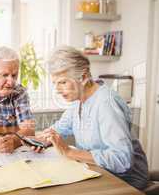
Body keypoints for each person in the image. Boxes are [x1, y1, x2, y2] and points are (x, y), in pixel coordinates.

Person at [32, 46, 148, 190]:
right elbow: (57, 130)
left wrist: (69, 152)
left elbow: (122, 160)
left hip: (126, 180)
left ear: (84, 77)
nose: (57, 90)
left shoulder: (106, 103)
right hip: (96, 172)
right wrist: (31, 140)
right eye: (55, 83)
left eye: (63, 82)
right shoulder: (78, 102)